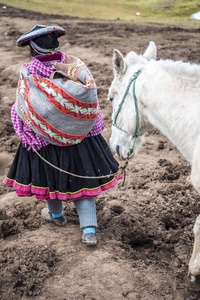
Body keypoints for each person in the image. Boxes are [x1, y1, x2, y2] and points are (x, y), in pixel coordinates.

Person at [4, 25, 122, 246]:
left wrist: (33, 126)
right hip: (81, 137)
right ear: (56, 44)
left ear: (33, 49)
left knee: (50, 177)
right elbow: (90, 100)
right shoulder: (75, 66)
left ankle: (56, 216)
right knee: (82, 179)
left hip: (44, 138)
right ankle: (89, 231)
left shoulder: (29, 71)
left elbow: (23, 104)